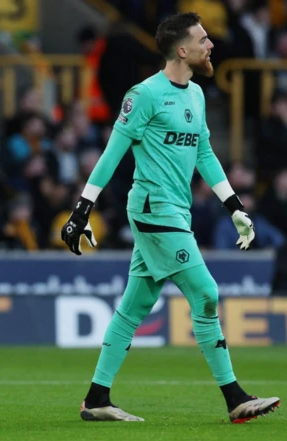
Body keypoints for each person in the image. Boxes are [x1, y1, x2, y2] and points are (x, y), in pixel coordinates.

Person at [60, 12, 280, 423]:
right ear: (183, 50)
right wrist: (81, 209)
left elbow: (204, 156)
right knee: (206, 294)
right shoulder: (143, 95)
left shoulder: (195, 95)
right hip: (152, 211)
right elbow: (113, 153)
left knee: (133, 307)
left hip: (175, 213)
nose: (211, 44)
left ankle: (96, 399)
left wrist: (235, 207)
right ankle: (235, 398)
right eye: (203, 38)